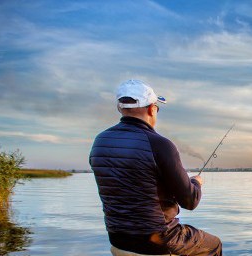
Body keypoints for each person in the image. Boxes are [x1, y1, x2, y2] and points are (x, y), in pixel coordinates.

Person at [89, 79, 222, 256]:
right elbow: (190, 201)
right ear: (152, 108)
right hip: (158, 240)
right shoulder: (160, 144)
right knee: (214, 245)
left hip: (117, 238)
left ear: (120, 109)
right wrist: (195, 182)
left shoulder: (100, 142)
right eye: (157, 109)